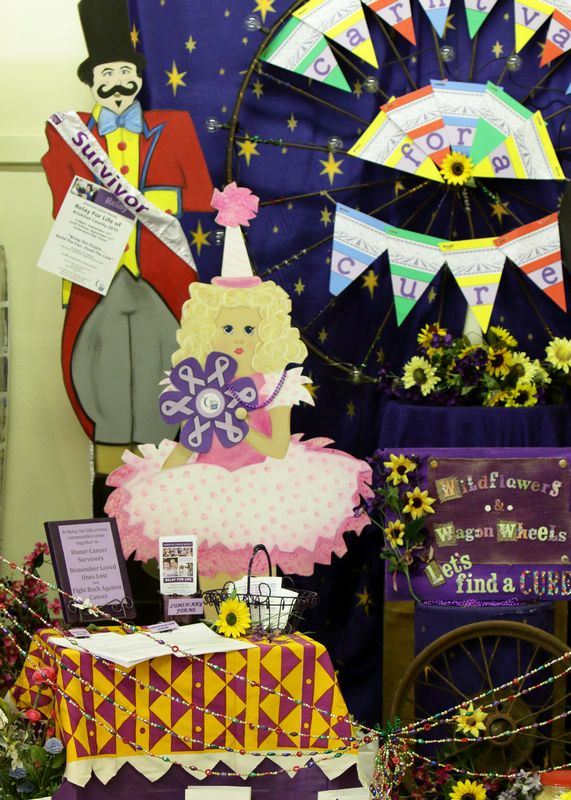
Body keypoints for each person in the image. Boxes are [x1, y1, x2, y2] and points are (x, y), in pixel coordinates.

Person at [106, 227, 373, 577]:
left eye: (249, 329)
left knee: (254, 587)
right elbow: (190, 442)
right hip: (202, 492)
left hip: (260, 493)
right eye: (227, 328)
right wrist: (159, 482)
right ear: (206, 330)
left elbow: (277, 449)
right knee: (202, 585)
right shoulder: (199, 383)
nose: (238, 338)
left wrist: (241, 425)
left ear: (267, 331)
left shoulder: (277, 385)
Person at [41, 0, 213, 504]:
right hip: (99, 276)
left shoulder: (174, 127)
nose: (116, 82)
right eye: (106, 73)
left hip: (162, 275)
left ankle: (163, 509)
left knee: (172, 369)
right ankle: (109, 523)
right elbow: (62, 200)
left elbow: (198, 196)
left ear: (136, 76)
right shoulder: (67, 132)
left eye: (124, 72)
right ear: (92, 80)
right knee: (99, 375)